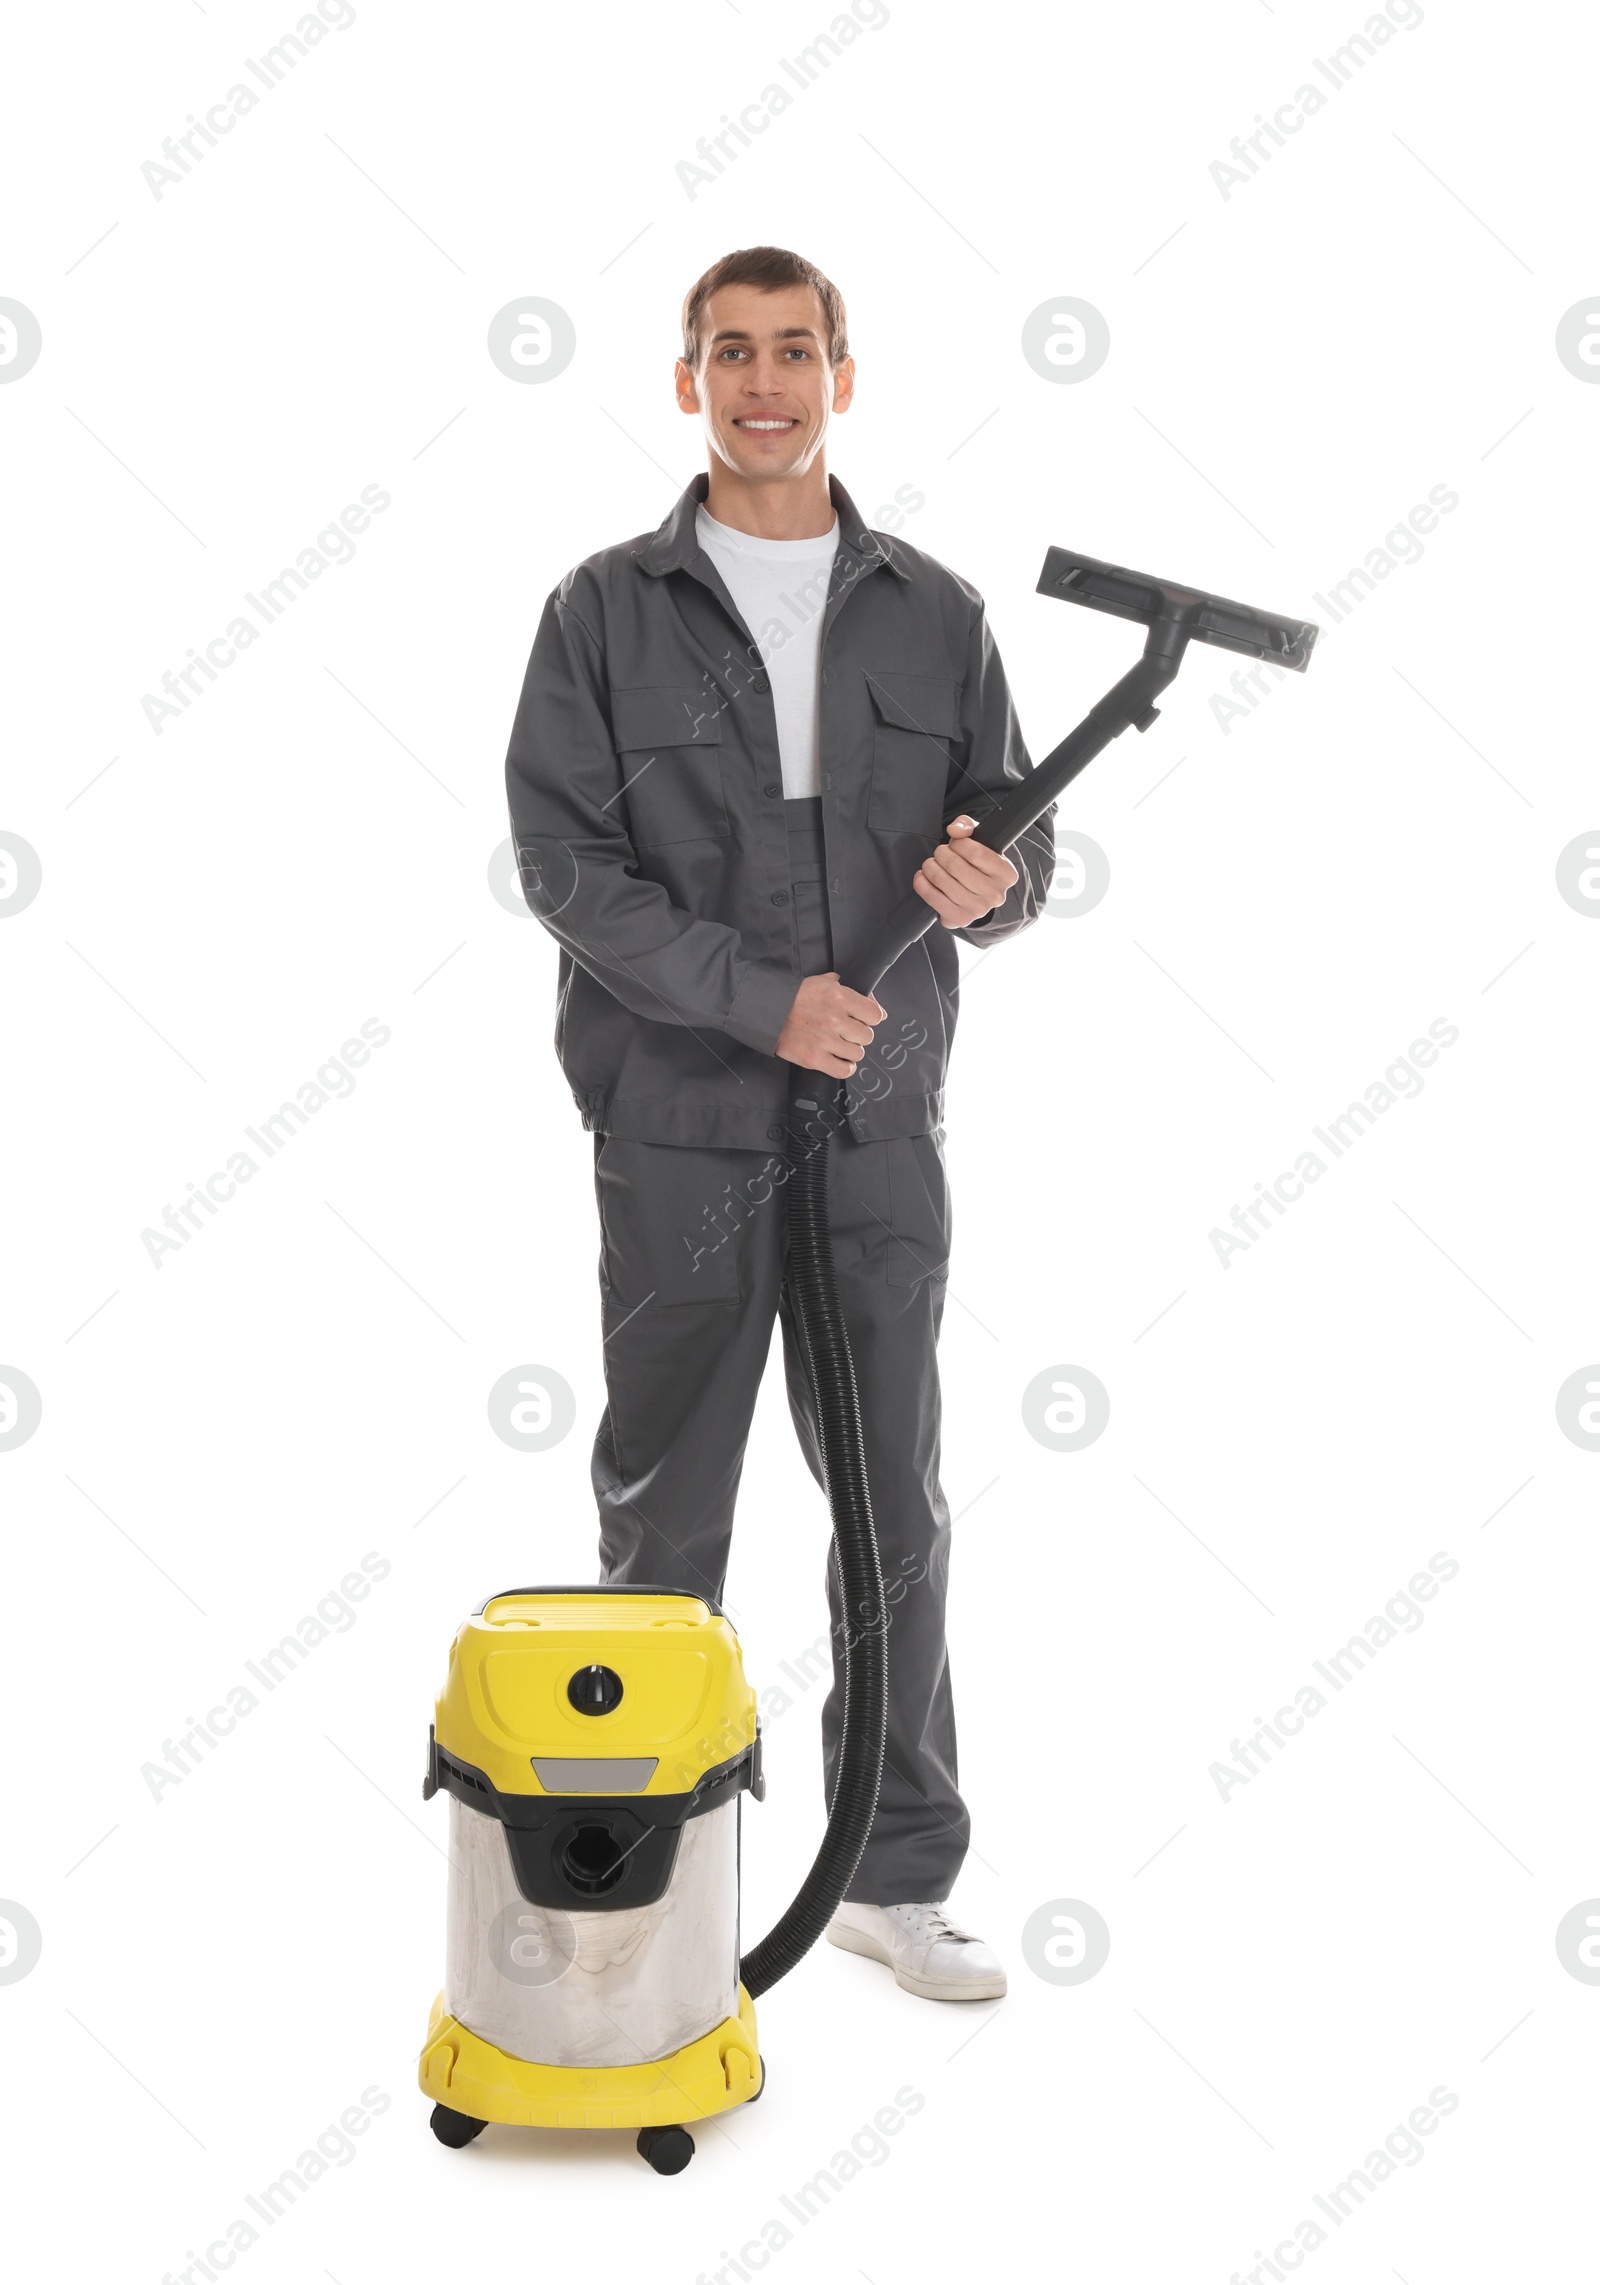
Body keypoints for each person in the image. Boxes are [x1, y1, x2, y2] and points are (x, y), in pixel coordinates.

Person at [504, 245, 1054, 2001]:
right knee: (668, 1513)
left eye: (795, 350)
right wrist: (762, 1001)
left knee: (893, 1498)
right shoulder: (605, 607)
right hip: (678, 1121)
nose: (765, 381)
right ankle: (631, 1884)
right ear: (688, 382)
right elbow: (566, 867)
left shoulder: (937, 611)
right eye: (730, 352)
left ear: (841, 372)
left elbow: (1012, 848)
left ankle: (894, 1872)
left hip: (879, 1125)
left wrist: (995, 884)